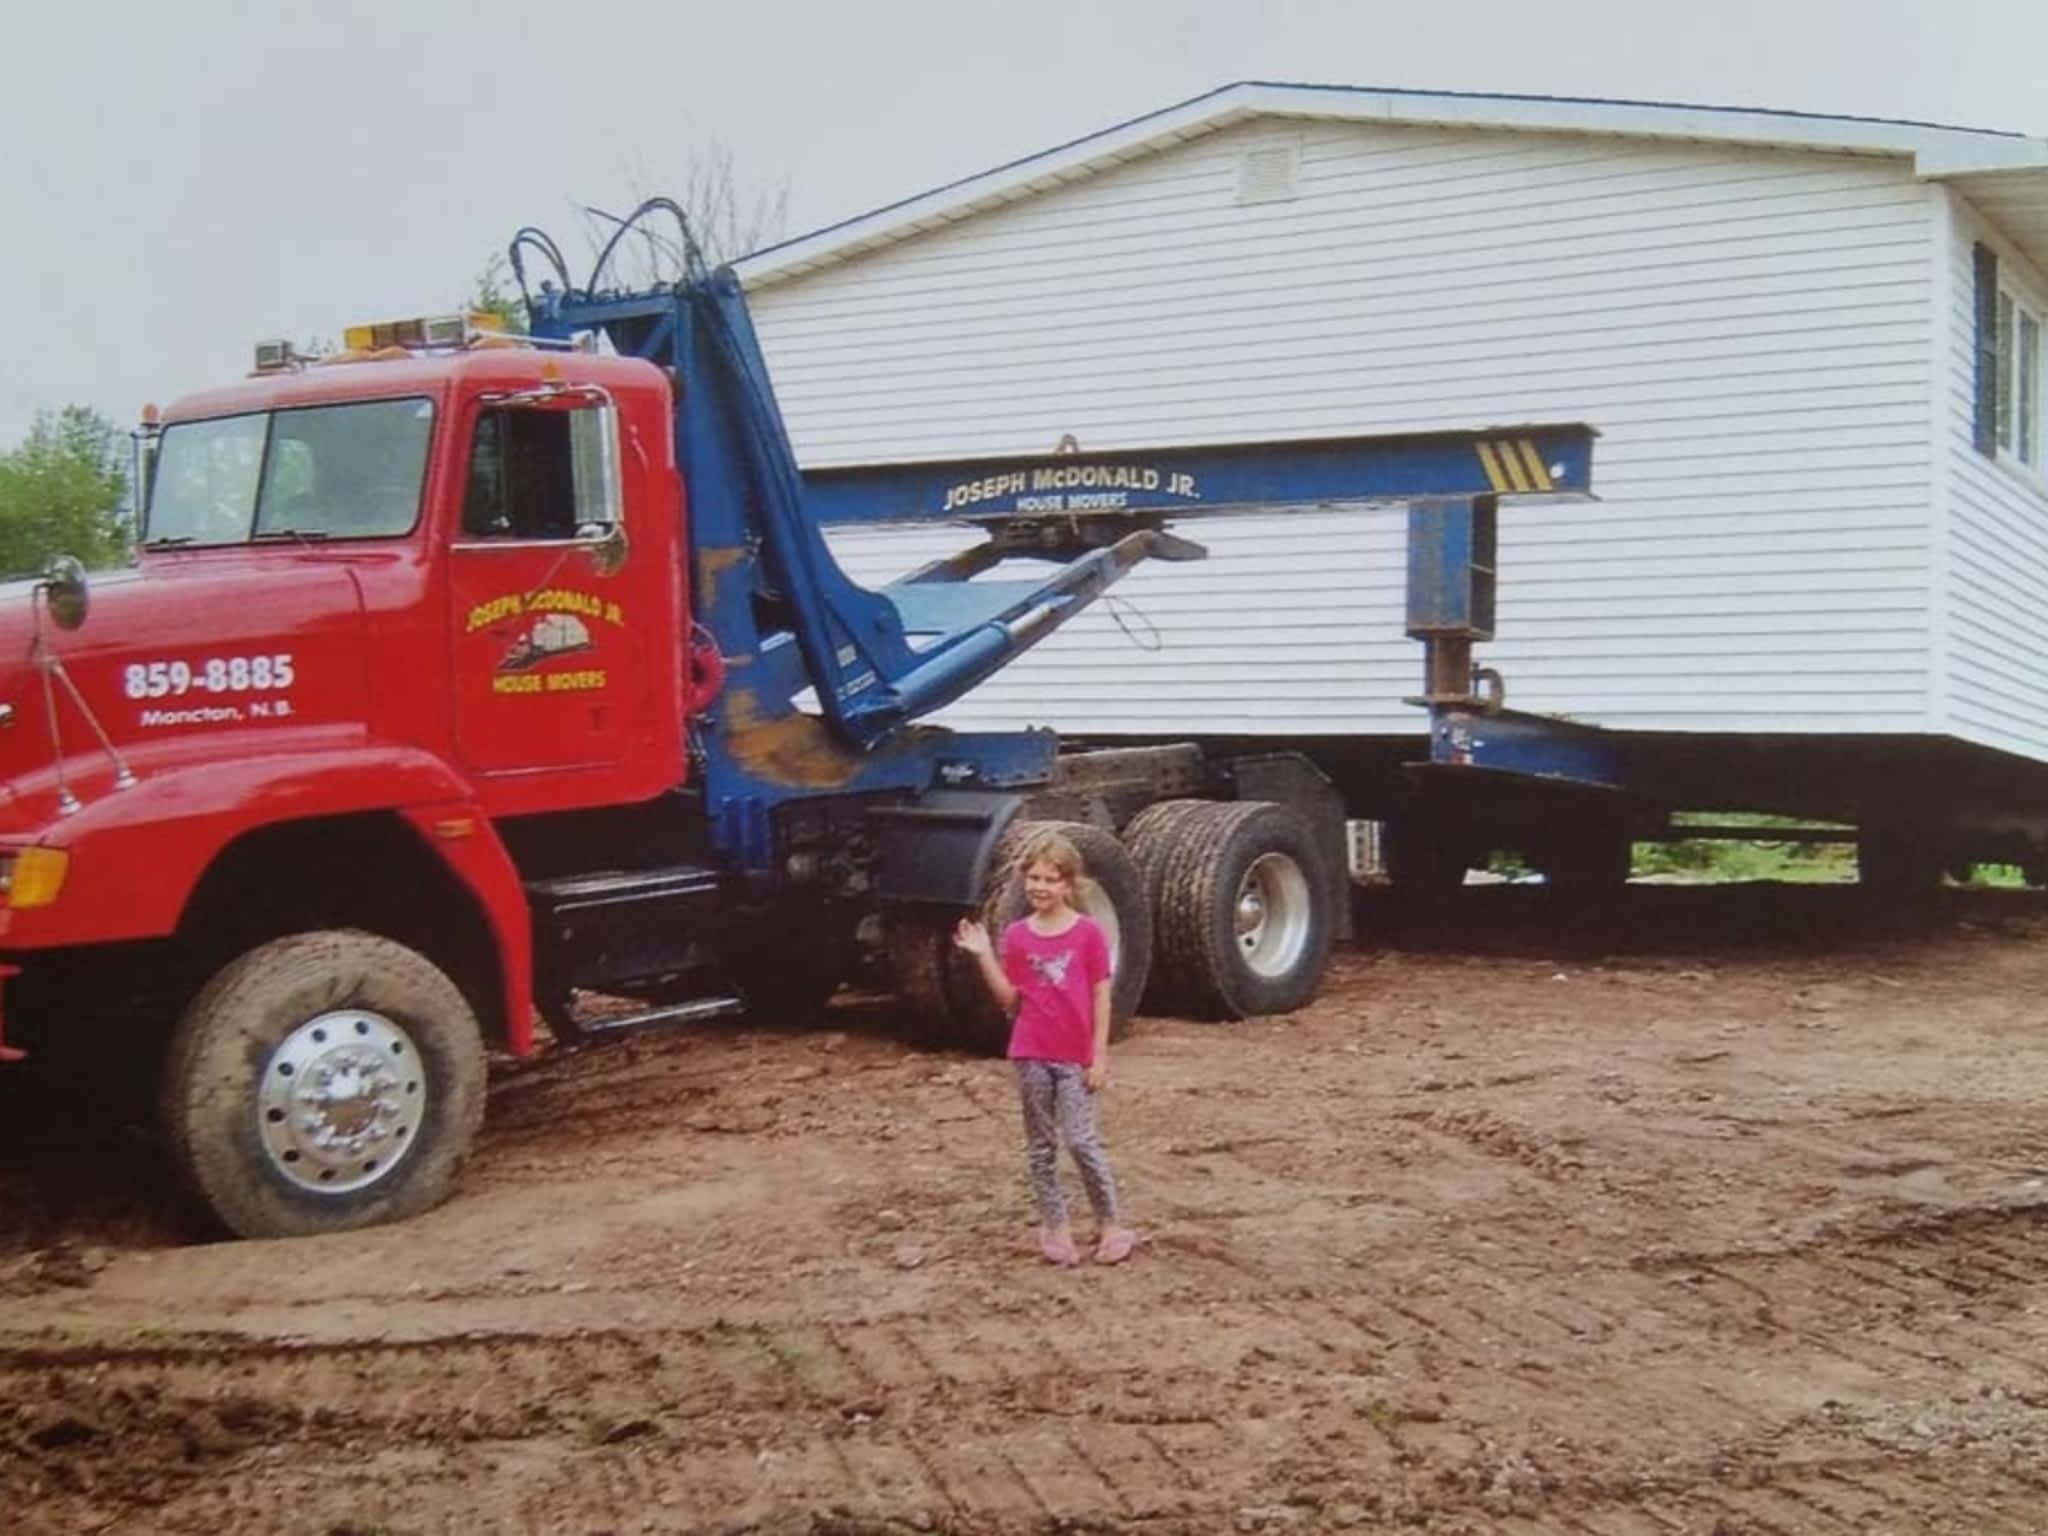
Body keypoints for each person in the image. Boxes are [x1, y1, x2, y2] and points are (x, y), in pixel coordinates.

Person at [954, 831, 1138, 1267]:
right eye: (1033, 878)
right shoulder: (1017, 936)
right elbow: (1009, 1000)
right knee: (1041, 1146)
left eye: (1050, 879)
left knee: (1081, 1140)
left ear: (1069, 885)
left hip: (1075, 1056)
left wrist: (1100, 1055)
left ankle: (1110, 1223)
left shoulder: (1088, 934)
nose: (1039, 887)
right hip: (1031, 1052)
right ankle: (1056, 1228)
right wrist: (983, 955)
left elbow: (1101, 996)